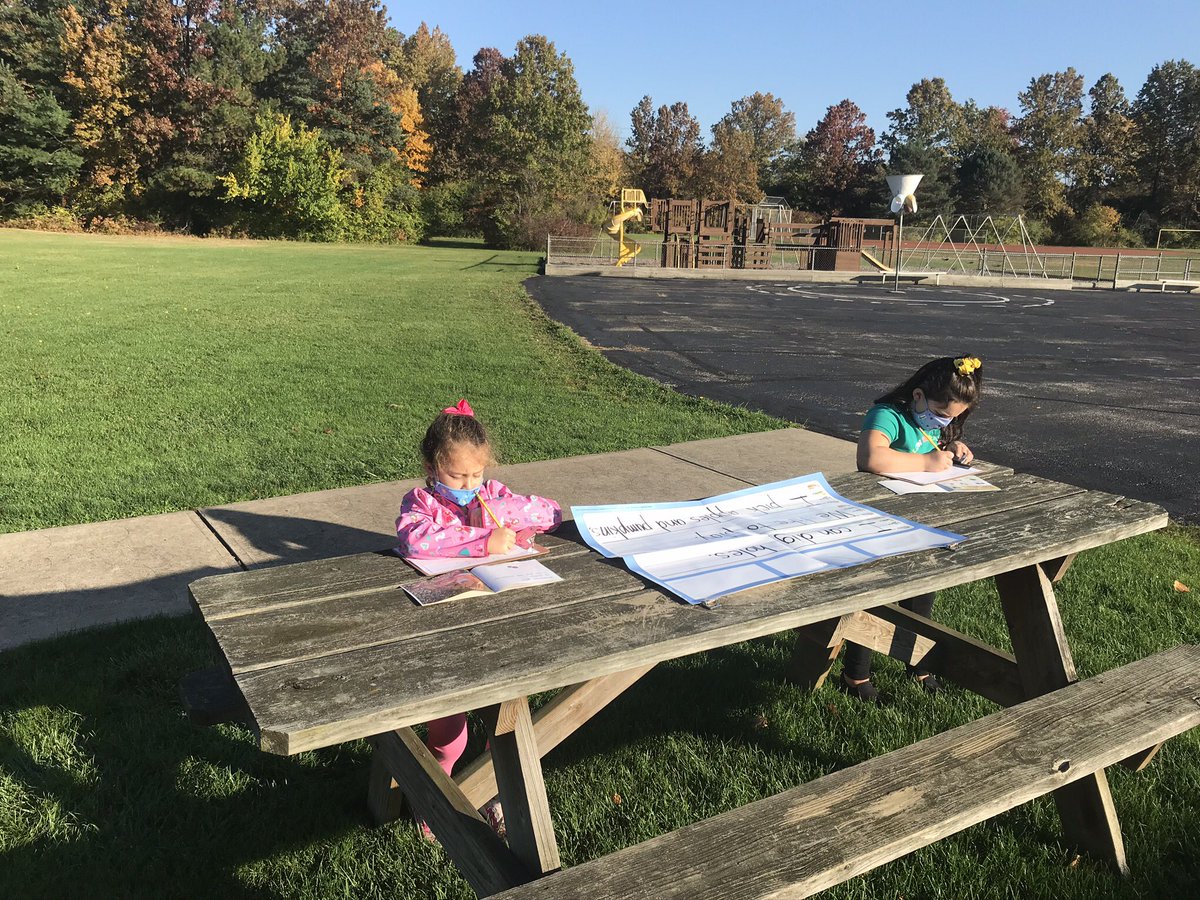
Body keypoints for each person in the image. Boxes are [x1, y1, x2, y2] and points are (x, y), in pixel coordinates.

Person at [396, 399, 562, 838]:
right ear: (433, 466)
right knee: (450, 732)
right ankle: (435, 796)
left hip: (498, 624)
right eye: (457, 475)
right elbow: (417, 540)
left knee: (502, 724)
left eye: (476, 475)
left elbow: (551, 512)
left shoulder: (494, 497)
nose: (469, 485)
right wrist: (485, 539)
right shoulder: (421, 502)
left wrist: (507, 516)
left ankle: (493, 792)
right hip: (445, 628)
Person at [841, 355, 984, 703]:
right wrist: (926, 462)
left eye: (953, 417)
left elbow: (930, 445)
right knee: (878, 596)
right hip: (879, 522)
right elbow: (870, 458)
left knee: (923, 591)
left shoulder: (933, 422)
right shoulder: (888, 415)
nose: (944, 421)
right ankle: (855, 675)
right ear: (917, 396)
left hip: (919, 523)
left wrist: (951, 448)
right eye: (941, 413)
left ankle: (917, 661)